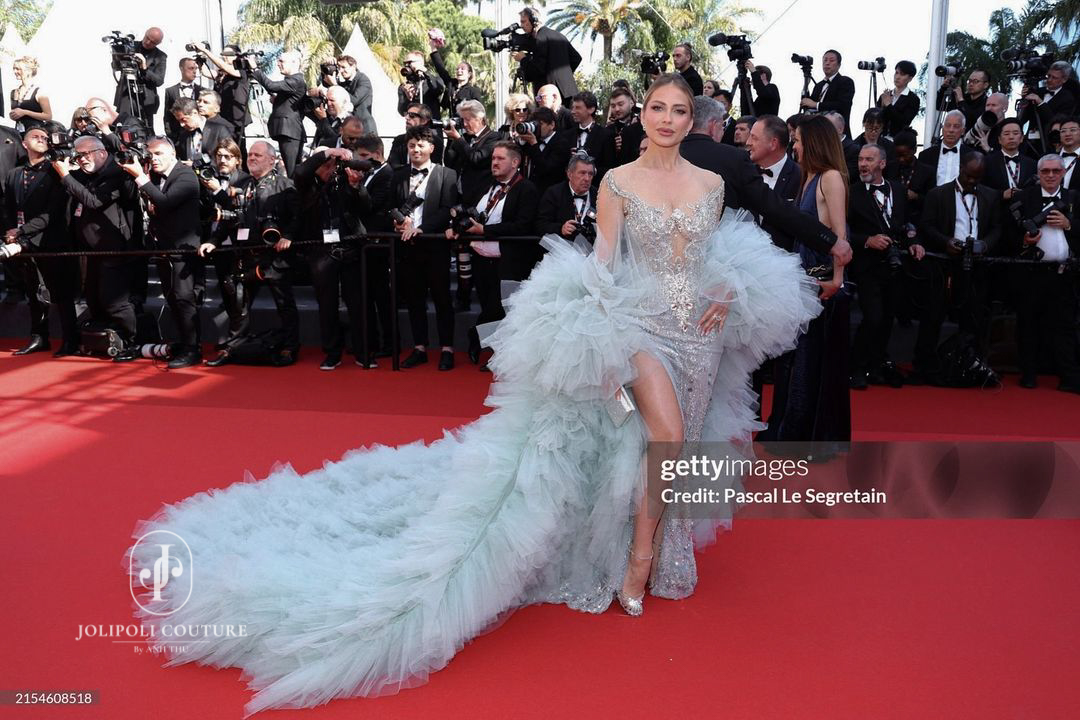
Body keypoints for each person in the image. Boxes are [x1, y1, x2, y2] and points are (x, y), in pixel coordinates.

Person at [126, 73, 820, 714]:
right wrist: (600, 340)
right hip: (639, 325)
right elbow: (605, 264)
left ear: (694, 120)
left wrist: (725, 285)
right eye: (657, 108)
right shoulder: (616, 181)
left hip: (700, 331)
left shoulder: (711, 182)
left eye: (679, 110)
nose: (667, 119)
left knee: (682, 441)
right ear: (642, 116)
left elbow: (711, 252)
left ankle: (667, 552)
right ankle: (637, 565)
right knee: (667, 435)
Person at [762, 113, 851, 443]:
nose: (794, 146)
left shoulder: (831, 178)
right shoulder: (808, 177)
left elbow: (840, 236)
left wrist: (837, 280)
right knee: (795, 363)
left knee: (811, 365)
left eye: (797, 140)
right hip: (804, 280)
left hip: (822, 282)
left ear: (812, 142)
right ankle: (789, 431)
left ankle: (807, 437)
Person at [117, 137, 203, 369]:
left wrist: (140, 177)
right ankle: (184, 344)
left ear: (172, 154)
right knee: (172, 297)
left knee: (184, 298)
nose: (154, 159)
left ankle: (193, 349)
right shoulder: (155, 177)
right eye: (151, 155)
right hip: (164, 248)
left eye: (159, 154)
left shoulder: (185, 175)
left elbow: (164, 202)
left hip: (183, 249)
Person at [1, 127, 78, 356]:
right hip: (24, 243)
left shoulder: (56, 171)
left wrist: (21, 231)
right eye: (35, 137)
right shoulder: (14, 174)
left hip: (52, 240)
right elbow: (8, 208)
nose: (42, 139)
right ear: (24, 144)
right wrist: (11, 231)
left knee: (61, 293)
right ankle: (39, 337)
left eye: (45, 137)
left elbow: (54, 212)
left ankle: (70, 340)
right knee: (32, 290)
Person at [392, 126, 459, 371]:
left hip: (435, 246)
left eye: (420, 145)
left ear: (431, 148)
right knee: (414, 300)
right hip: (407, 247)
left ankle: (447, 349)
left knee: (442, 299)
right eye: (411, 145)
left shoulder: (446, 174)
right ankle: (419, 347)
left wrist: (421, 229)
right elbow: (391, 205)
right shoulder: (398, 174)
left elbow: (447, 209)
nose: (415, 150)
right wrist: (398, 221)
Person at [249, 50, 307, 175]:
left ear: (294, 63)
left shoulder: (295, 81)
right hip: (288, 130)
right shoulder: (292, 81)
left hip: (290, 131)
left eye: (282, 61)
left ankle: (294, 187)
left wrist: (255, 68)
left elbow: (271, 85)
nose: (278, 64)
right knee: (292, 169)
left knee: (292, 170)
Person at [513, 7, 580, 103]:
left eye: (523, 22)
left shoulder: (540, 38)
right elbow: (576, 58)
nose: (521, 25)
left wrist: (523, 59)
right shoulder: (559, 35)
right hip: (569, 92)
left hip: (549, 96)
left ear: (534, 21)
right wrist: (564, 75)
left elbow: (537, 69)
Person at [113, 27, 167, 132]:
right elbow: (116, 66)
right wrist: (118, 55)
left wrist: (144, 67)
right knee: (123, 127)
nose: (147, 42)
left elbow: (159, 81)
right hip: (126, 94)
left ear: (158, 44)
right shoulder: (131, 46)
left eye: (152, 42)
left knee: (146, 130)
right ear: (145, 33)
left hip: (145, 100)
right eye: (147, 38)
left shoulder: (160, 56)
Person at [803, 49, 855, 134]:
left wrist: (817, 105)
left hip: (836, 132)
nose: (827, 63)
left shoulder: (845, 81)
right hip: (817, 131)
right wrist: (805, 86)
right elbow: (808, 105)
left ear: (839, 65)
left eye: (831, 60)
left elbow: (842, 105)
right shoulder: (819, 85)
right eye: (825, 60)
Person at [8, 57, 52, 134]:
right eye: (14, 69)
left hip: (35, 134)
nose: (15, 71)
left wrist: (25, 112)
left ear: (28, 71)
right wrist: (13, 115)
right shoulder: (13, 92)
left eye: (18, 69)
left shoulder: (39, 92)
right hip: (18, 133)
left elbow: (48, 116)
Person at [396, 50, 444, 120]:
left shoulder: (433, 80)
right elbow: (402, 112)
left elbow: (439, 89)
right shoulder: (404, 86)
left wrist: (425, 72)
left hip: (431, 125)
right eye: (405, 63)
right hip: (414, 125)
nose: (406, 66)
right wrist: (408, 99)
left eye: (410, 63)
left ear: (420, 63)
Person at [876, 60, 919, 139]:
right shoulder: (885, 95)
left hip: (898, 141)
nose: (897, 77)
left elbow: (904, 122)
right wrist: (881, 107)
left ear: (910, 78)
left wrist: (888, 105)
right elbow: (876, 119)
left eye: (902, 74)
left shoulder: (913, 99)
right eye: (896, 73)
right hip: (880, 139)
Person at [162, 57, 200, 142]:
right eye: (191, 68)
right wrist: (170, 135)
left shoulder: (201, 90)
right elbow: (167, 116)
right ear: (181, 69)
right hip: (178, 137)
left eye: (196, 68)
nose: (194, 71)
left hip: (198, 135)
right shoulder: (171, 91)